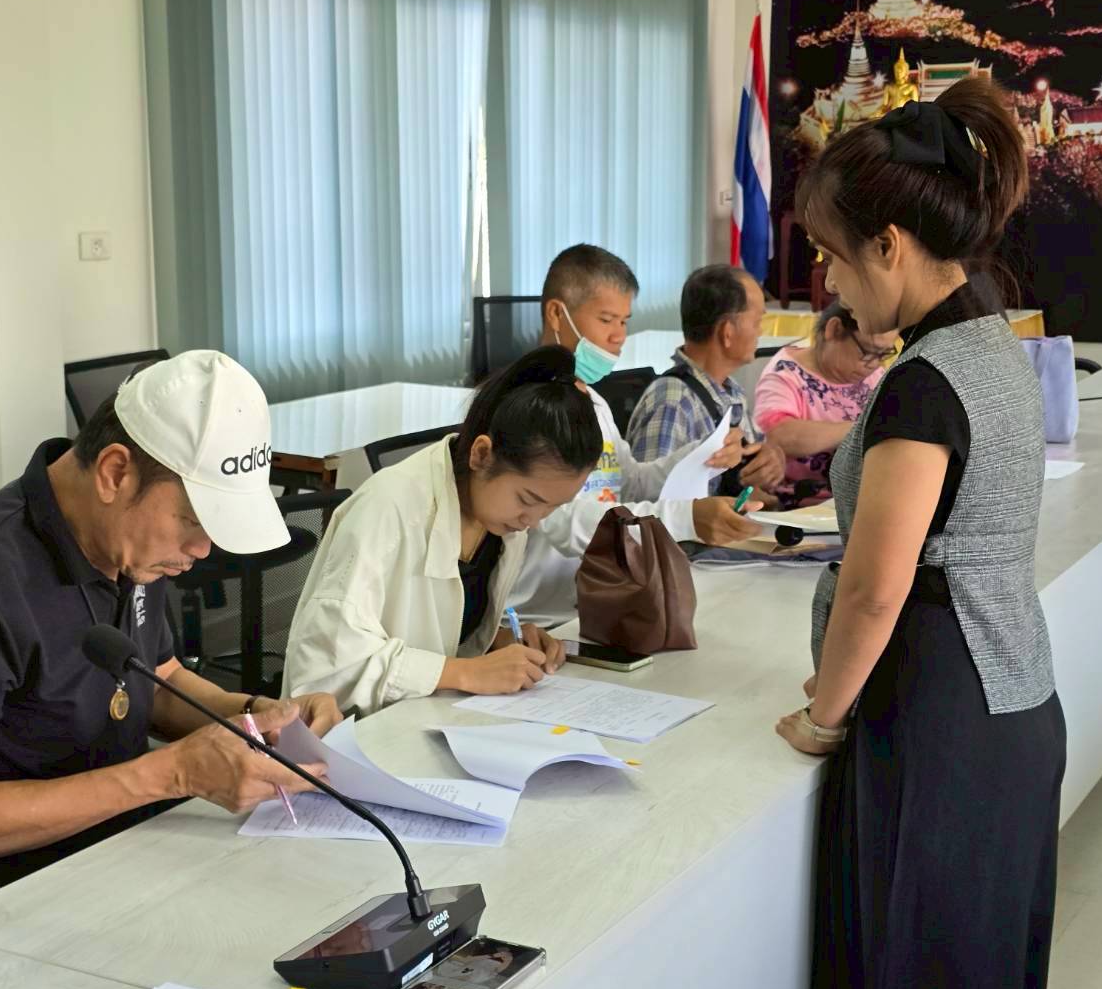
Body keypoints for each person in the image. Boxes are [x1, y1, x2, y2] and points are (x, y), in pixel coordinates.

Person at [775, 88, 1066, 989]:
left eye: (831, 255)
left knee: (918, 985)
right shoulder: (990, 345)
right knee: (977, 980)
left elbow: (874, 585)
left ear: (889, 246)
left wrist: (823, 714)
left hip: (941, 714)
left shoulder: (921, 384)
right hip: (1012, 692)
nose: (828, 283)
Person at [0, 351, 342, 915]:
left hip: (125, 854)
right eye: (194, 522)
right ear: (114, 472)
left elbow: (161, 682)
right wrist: (172, 772)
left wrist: (262, 717)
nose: (201, 553)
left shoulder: (129, 545)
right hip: (3, 897)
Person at [282, 347, 601, 715]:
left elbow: (448, 632)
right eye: (528, 499)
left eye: (552, 507)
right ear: (482, 455)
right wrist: (466, 672)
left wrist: (498, 642)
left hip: (433, 720)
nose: (534, 520)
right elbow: (326, 671)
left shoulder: (500, 522)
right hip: (358, 738)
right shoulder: (388, 506)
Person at [508, 245, 762, 627]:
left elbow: (631, 481)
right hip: (540, 620)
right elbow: (569, 521)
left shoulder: (590, 399)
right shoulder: (532, 406)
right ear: (557, 314)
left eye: (625, 322)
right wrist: (686, 518)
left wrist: (703, 454)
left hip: (598, 603)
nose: (618, 337)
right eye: (607, 320)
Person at [625, 265, 787, 505]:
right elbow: (650, 506)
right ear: (727, 332)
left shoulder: (732, 394)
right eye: (756, 322)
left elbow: (749, 470)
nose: (760, 332)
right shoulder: (672, 401)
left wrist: (771, 459)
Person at [753, 301, 897, 508]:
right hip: (800, 507)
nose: (875, 364)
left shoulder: (873, 374)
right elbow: (781, 436)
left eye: (884, 354)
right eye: (868, 352)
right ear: (834, 330)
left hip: (861, 501)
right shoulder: (785, 374)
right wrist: (863, 428)